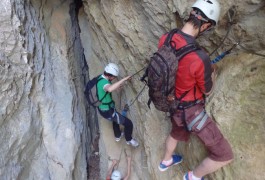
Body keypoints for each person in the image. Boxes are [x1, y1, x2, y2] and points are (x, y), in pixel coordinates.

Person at [157, 0, 233, 179]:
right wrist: (212, 75)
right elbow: (207, 90)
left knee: (175, 133)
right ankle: (193, 176)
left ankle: (165, 162)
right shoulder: (200, 58)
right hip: (191, 111)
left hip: (171, 102)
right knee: (224, 155)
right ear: (205, 25)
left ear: (191, 13)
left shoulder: (166, 38)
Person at [97, 63, 139, 147]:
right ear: (110, 76)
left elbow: (108, 88)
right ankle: (129, 139)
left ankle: (118, 135)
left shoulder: (100, 78)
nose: (114, 79)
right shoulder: (104, 83)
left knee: (115, 119)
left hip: (104, 109)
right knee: (128, 123)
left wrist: (117, 87)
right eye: (114, 77)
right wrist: (124, 79)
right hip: (107, 111)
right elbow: (108, 88)